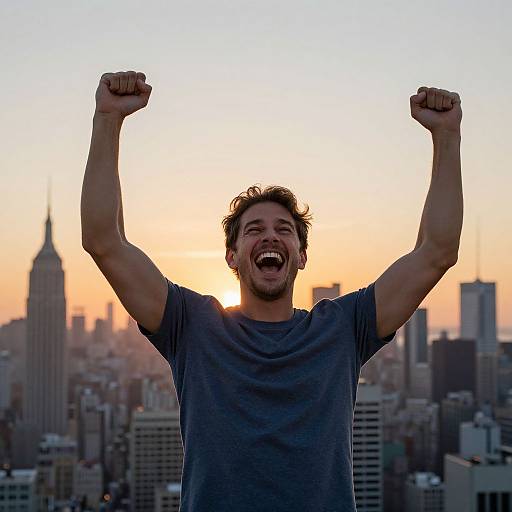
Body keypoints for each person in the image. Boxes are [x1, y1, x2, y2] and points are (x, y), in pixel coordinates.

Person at [81, 71, 463, 512]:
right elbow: (104, 240)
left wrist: (446, 137)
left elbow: (436, 252)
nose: (270, 237)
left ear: (301, 256)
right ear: (232, 256)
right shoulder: (192, 325)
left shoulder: (343, 328)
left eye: (284, 230)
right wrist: (107, 120)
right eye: (253, 231)